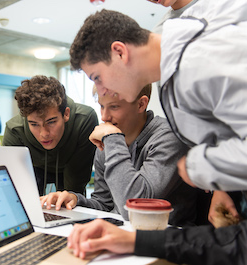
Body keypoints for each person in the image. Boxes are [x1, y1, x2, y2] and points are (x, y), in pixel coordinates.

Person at [66, 0, 247, 264]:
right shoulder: (179, 48)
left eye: (97, 77)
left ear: (120, 53)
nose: (101, 91)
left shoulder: (200, 60)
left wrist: (204, 166)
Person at [41, 84, 199, 227]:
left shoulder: (168, 137)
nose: (104, 116)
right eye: (102, 106)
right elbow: (104, 204)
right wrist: (76, 200)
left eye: (114, 107)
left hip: (170, 241)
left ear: (141, 104)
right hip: (126, 235)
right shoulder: (109, 139)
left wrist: (111, 139)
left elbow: (134, 207)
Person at [3, 75, 98, 196]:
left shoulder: (84, 120)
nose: (44, 134)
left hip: (72, 166)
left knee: (71, 199)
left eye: (51, 122)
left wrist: (70, 198)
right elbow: (14, 187)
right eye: (34, 124)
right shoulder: (15, 130)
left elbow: (75, 187)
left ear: (66, 114)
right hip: (34, 168)